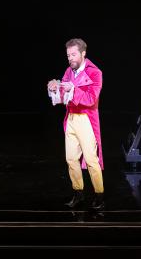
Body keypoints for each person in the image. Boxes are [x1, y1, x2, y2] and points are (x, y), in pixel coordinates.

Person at [47, 38, 105, 210]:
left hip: (86, 120)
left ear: (83, 53)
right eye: (68, 55)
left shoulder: (95, 73)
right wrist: (55, 88)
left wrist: (72, 89)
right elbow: (63, 97)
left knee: (91, 160)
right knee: (71, 159)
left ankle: (99, 196)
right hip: (71, 118)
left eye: (73, 55)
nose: (70, 58)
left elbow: (91, 98)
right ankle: (78, 193)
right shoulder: (69, 71)